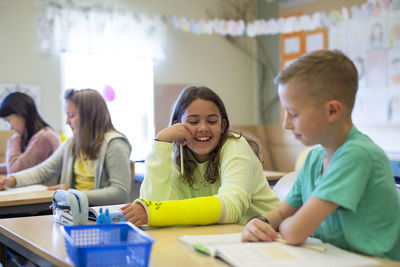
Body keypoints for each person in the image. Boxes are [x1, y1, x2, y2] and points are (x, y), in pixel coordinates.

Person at [242, 50, 400, 261]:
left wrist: (285, 226)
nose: (286, 124)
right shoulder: (313, 160)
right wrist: (259, 222)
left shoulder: (357, 155)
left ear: (332, 111)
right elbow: (281, 213)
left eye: (294, 114)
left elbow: (295, 231)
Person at [121, 85, 280, 227]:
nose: (203, 128)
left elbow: (232, 207)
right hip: (227, 240)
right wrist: (160, 143)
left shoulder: (235, 146)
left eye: (211, 121)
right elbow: (157, 205)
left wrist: (153, 212)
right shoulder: (179, 157)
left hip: (273, 237)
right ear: (177, 125)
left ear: (222, 125)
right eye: (193, 121)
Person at [0, 89, 132, 206]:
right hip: (74, 212)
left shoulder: (115, 144)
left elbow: (120, 192)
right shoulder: (72, 143)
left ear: (90, 117)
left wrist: (72, 195)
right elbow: (43, 171)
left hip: (98, 216)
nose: (67, 122)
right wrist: (10, 180)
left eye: (72, 116)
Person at [0, 92, 60, 175]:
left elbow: (15, 171)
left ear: (21, 113)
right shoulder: (39, 135)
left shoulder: (43, 137)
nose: (10, 127)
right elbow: (14, 165)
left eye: (9, 121)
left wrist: (14, 140)